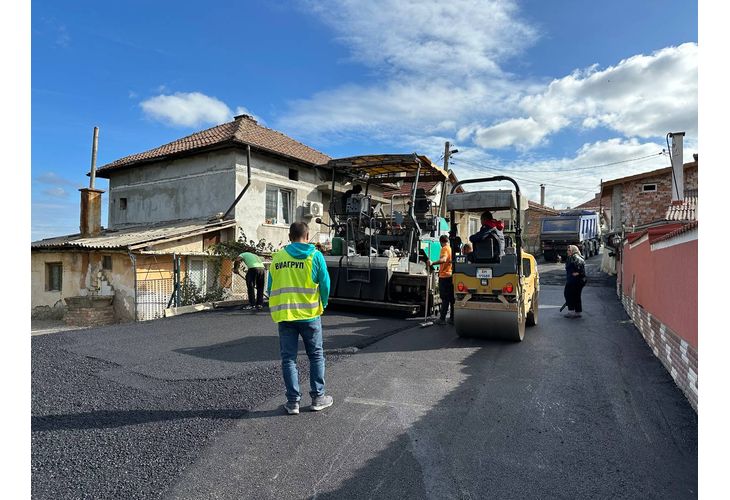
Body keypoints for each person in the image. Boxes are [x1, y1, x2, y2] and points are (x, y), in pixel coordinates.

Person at [267, 222, 332, 415]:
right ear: (308, 235)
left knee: (289, 359)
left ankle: (293, 402)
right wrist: (324, 303)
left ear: (289, 236)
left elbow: (270, 287)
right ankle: (318, 398)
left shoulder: (277, 257)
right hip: (310, 315)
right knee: (316, 356)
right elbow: (325, 284)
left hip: (285, 315)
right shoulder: (315, 256)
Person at [429, 235, 454, 325]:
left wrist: (433, 262)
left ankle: (442, 319)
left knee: (444, 298)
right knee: (451, 298)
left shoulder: (444, 248)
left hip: (444, 276)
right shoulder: (451, 248)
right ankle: (452, 318)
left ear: (441, 242)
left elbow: (443, 259)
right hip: (451, 276)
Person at [563, 244, 586, 318]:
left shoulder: (575, 257)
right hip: (576, 280)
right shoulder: (574, 256)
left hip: (575, 281)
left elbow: (581, 267)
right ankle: (577, 312)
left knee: (569, 294)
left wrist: (578, 272)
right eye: (567, 250)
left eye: (569, 250)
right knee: (576, 295)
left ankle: (571, 312)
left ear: (573, 250)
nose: (568, 251)